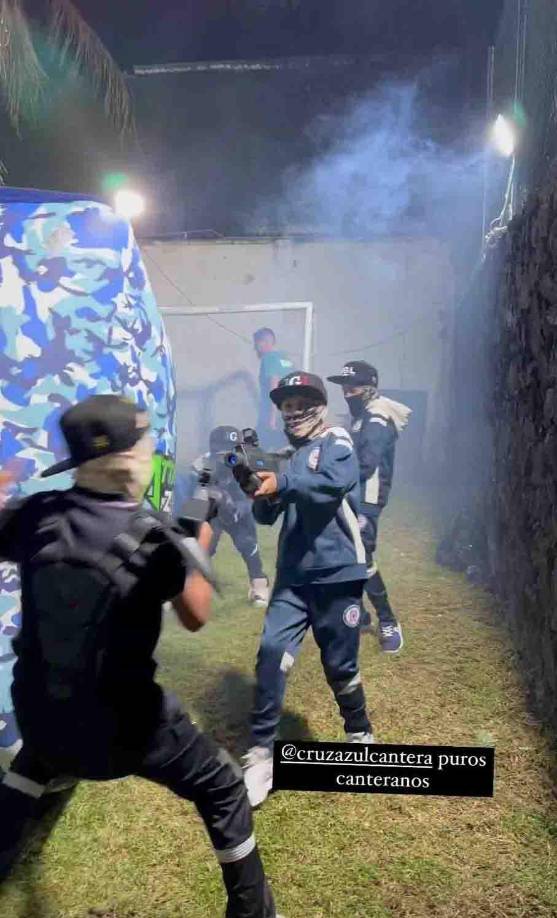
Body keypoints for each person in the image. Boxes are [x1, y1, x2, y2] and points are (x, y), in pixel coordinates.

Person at [0, 394, 279, 918]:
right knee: (222, 789)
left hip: (42, 716)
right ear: (131, 456)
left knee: (33, 762)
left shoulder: (37, 514)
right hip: (124, 733)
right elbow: (196, 615)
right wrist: (198, 536)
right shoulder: (154, 537)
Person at [240, 372, 375, 808]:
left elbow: (332, 485)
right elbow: (267, 516)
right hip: (294, 577)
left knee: (339, 665)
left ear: (319, 404)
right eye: (286, 405)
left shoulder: (337, 442)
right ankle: (261, 753)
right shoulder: (285, 457)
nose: (293, 412)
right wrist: (259, 490)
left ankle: (359, 732)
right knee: (270, 654)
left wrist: (281, 482)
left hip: (338, 573)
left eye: (301, 403)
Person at [327, 361, 411, 654]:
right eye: (344, 388)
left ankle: (388, 621)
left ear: (370, 387)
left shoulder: (377, 418)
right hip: (354, 492)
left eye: (354, 388)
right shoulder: (362, 414)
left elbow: (366, 464)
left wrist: (329, 473)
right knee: (348, 551)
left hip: (368, 498)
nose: (347, 393)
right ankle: (358, 614)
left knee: (364, 556)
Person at [175, 426, 270, 607]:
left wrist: (237, 509)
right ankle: (186, 589)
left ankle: (259, 583)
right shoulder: (201, 466)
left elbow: (254, 497)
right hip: (212, 513)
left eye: (230, 451)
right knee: (203, 549)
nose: (225, 457)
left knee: (247, 544)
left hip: (239, 509)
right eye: (220, 451)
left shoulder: (247, 464)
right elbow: (193, 503)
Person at [253, 328, 294, 450]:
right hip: (290, 413)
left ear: (264, 342)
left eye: (256, 344)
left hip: (275, 414)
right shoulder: (285, 359)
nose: (255, 349)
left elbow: (274, 384)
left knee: (258, 450)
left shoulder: (269, 358)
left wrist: (272, 417)